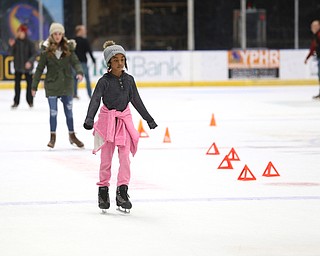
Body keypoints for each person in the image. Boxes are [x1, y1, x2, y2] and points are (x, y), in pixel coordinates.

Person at [83, 41, 157, 213]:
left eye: (122, 59)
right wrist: (89, 119)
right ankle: (103, 192)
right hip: (107, 122)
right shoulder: (104, 81)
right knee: (106, 160)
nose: (119, 62)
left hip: (124, 121)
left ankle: (122, 193)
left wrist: (148, 119)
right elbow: (95, 100)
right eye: (115, 59)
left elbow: (136, 100)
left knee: (125, 159)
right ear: (109, 62)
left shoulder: (129, 80)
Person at [31, 23, 84, 149]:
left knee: (69, 113)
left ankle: (72, 135)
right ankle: (52, 137)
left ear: (63, 34)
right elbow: (39, 69)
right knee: (53, 112)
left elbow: (75, 62)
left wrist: (79, 72)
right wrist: (34, 86)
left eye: (60, 33)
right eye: (55, 34)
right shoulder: (46, 50)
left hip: (66, 84)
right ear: (51, 35)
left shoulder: (68, 48)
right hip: (52, 85)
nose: (58, 36)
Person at [8, 24, 37, 108]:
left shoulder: (30, 43)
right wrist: (11, 46)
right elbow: (10, 53)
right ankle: (16, 102)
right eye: (19, 32)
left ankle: (30, 101)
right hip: (18, 67)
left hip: (28, 68)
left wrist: (29, 62)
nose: (20, 34)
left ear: (24, 33)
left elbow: (34, 54)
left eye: (21, 32)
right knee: (17, 85)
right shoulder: (15, 42)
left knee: (29, 85)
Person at [73, 25, 96, 99]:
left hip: (75, 63)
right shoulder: (84, 41)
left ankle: (74, 93)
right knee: (87, 78)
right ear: (79, 31)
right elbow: (89, 51)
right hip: (82, 62)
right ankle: (89, 94)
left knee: (75, 79)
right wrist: (93, 60)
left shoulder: (73, 41)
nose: (85, 31)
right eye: (83, 30)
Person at [304, 19, 320, 99]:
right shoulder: (316, 36)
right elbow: (313, 48)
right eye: (311, 26)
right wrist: (307, 58)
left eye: (314, 26)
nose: (312, 28)